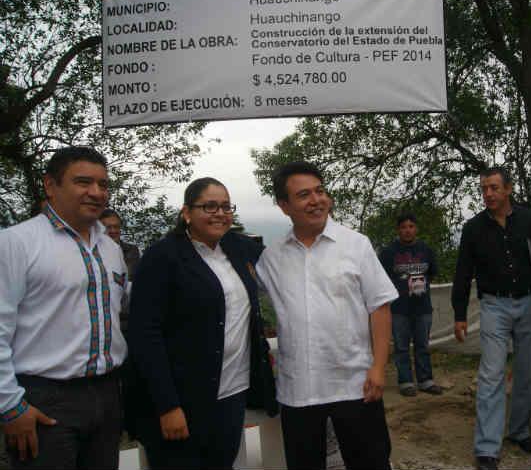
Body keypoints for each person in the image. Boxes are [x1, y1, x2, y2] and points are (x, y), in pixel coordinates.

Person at [256, 161, 397, 470]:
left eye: (320, 191)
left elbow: (380, 307)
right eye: (304, 195)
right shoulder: (272, 257)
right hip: (299, 388)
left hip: (355, 382)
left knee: (371, 463)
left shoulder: (356, 245)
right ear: (284, 206)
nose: (316, 200)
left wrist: (378, 366)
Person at [127, 177, 277, 470]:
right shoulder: (163, 257)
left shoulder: (236, 247)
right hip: (182, 401)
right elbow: (146, 334)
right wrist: (168, 406)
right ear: (186, 213)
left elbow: (284, 258)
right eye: (209, 206)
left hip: (232, 395)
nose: (219, 213)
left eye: (225, 206)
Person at [0, 146, 128, 469]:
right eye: (83, 182)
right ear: (50, 185)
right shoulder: (17, 243)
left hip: (107, 394)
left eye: (103, 184)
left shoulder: (110, 248)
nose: (96, 192)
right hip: (44, 400)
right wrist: (11, 406)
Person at [452, 166, 531, 470]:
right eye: (484, 188)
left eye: (494, 188)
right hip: (493, 307)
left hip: (529, 303)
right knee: (491, 375)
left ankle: (519, 431)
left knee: (527, 371)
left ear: (508, 189)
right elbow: (463, 273)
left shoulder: (530, 219)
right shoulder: (473, 228)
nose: (488, 194)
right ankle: (487, 447)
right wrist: (459, 315)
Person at [379, 212, 442, 397]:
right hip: (399, 308)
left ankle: (426, 381)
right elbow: (380, 276)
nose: (407, 230)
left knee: (423, 345)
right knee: (401, 347)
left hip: (423, 306)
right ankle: (406, 382)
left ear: (416, 229)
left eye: (411, 226)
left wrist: (420, 283)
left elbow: (433, 272)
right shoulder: (388, 252)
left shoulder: (426, 250)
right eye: (403, 227)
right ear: (398, 230)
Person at [100, 209, 140, 281]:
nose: (113, 231)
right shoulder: (92, 251)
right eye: (108, 227)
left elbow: (132, 278)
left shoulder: (131, 251)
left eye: (116, 227)